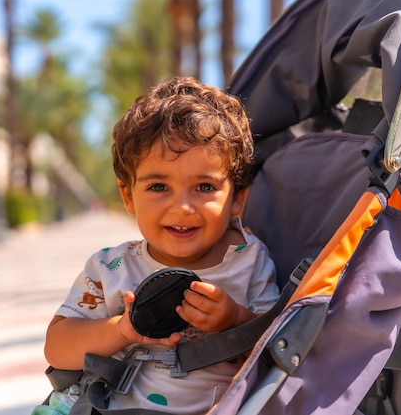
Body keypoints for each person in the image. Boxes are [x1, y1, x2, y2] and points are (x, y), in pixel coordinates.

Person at [40, 76, 279, 415]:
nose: (181, 207)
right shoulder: (111, 268)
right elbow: (57, 348)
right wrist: (122, 330)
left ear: (237, 198)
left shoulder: (249, 261)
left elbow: (277, 351)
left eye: (205, 187)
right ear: (128, 197)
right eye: (158, 187)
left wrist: (235, 320)